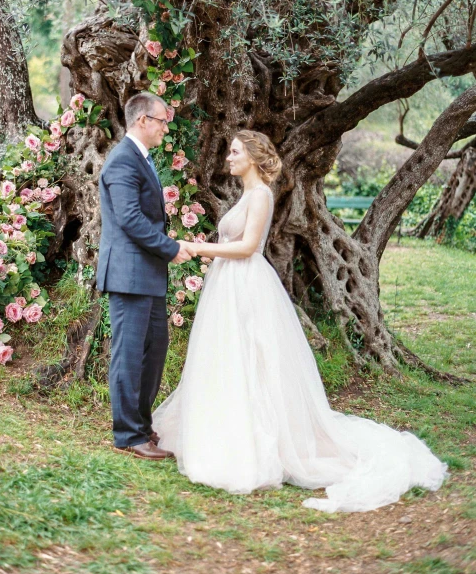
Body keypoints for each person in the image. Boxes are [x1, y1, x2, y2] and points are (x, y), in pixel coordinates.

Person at [153, 130, 448, 512]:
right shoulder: (246, 194)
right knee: (228, 358)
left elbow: (246, 247)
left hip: (246, 284)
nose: (228, 157)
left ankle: (257, 444)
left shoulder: (260, 196)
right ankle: (226, 432)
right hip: (227, 284)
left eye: (235, 151)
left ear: (255, 158)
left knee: (253, 359)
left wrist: (195, 247)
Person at [97, 92, 195, 461]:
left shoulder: (142, 159)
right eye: (162, 121)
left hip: (147, 275)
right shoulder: (123, 161)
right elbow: (130, 219)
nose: (165, 128)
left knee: (154, 352)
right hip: (128, 275)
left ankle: (141, 424)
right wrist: (171, 248)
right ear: (142, 121)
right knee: (129, 356)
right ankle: (128, 435)